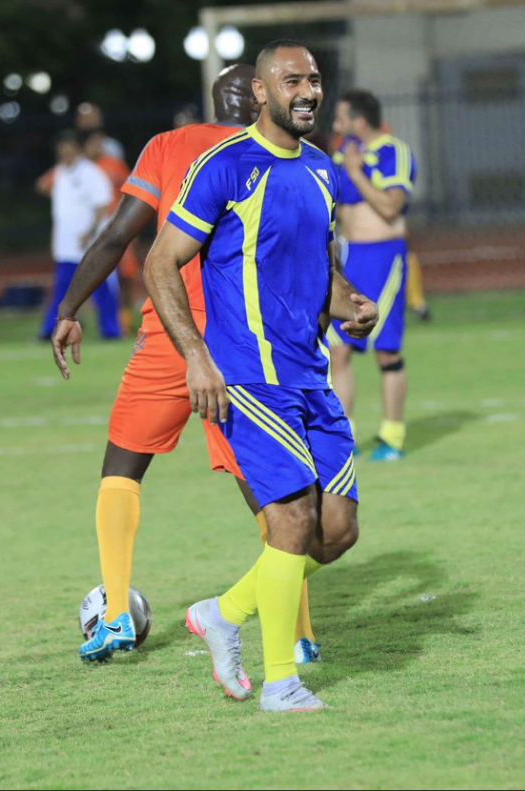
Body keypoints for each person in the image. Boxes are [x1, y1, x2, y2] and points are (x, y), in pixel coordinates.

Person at [52, 65, 325, 667]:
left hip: (169, 334)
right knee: (271, 495)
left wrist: (69, 307)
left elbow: (119, 235)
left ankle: (116, 614)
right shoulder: (287, 154)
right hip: (245, 342)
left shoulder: (170, 146)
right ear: (259, 96)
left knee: (121, 467)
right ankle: (300, 635)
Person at [142, 40, 378, 712]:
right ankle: (282, 682)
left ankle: (222, 612)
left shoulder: (322, 172)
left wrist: (350, 304)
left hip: (311, 376)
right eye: (291, 80)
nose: (307, 91)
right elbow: (161, 264)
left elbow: (322, 270)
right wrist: (196, 355)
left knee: (337, 533)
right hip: (248, 376)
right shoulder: (225, 167)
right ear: (261, 93)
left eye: (314, 80)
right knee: (292, 521)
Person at [328, 89, 416, 462]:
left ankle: (392, 437)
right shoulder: (341, 151)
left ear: (359, 121)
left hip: (382, 258)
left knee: (386, 350)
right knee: (337, 349)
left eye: (341, 118)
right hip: (348, 258)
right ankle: (341, 437)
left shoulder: (393, 152)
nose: (334, 124)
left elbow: (391, 208)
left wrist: (355, 172)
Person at [37, 131, 119, 341]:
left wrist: (90, 232)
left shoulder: (91, 173)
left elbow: (102, 205)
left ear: (78, 150)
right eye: (62, 151)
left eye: (69, 151)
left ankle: (111, 330)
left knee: (99, 285)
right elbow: (42, 187)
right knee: (63, 288)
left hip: (88, 242)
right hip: (66, 244)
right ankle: (50, 329)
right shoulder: (60, 173)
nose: (66, 155)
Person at [82, 128, 140, 337]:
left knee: (125, 277)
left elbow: (132, 191)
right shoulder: (80, 169)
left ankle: (124, 321)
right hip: (91, 232)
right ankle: (96, 320)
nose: (98, 147)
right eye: (93, 143)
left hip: (119, 228)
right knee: (93, 277)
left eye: (100, 142)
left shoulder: (114, 164)